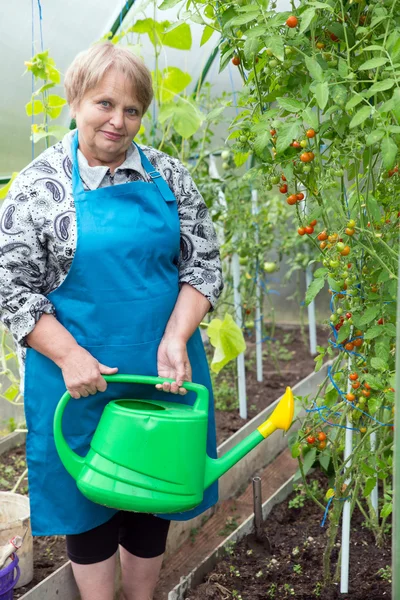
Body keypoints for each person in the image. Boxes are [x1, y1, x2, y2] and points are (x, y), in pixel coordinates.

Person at [0, 42, 223, 600]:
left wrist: (176, 337)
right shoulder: (39, 185)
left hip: (161, 368)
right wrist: (70, 357)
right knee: (88, 505)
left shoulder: (168, 176)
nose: (118, 122)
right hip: (76, 375)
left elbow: (204, 264)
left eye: (132, 110)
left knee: (155, 494)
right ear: (75, 100)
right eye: (104, 104)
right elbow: (11, 286)